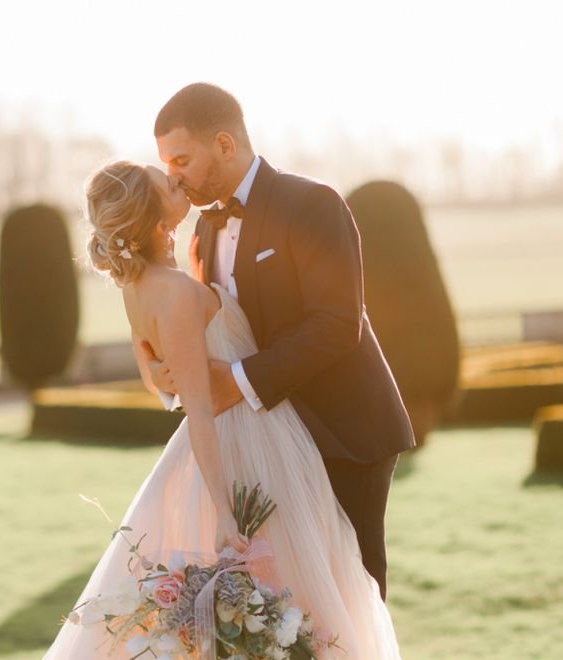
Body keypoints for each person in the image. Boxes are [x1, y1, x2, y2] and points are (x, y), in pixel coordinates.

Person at [8, 153, 417, 660]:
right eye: (165, 182)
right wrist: (225, 512)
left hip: (261, 432)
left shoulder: (145, 285)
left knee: (308, 591)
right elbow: (193, 406)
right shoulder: (173, 290)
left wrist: (173, 371)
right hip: (248, 447)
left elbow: (160, 383)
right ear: (158, 218)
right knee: (308, 591)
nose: (177, 178)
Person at [147, 83, 416, 602]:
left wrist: (237, 383)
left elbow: (338, 322)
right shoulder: (203, 231)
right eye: (165, 163)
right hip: (266, 444)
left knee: (348, 601)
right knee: (281, 599)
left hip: (344, 433)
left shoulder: (312, 203)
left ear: (224, 145)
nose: (171, 176)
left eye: (181, 158)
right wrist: (172, 378)